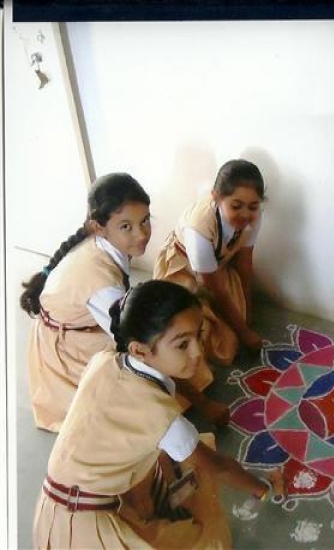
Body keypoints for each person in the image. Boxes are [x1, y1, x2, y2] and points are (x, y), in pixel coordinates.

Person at [33, 280, 284, 549]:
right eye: (182, 344)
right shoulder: (160, 416)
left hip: (54, 504)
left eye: (199, 335)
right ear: (140, 350)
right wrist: (262, 487)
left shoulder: (106, 359)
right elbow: (218, 466)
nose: (198, 352)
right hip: (83, 529)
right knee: (210, 539)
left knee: (170, 460)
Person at [19, 173, 226, 432]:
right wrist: (205, 404)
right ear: (99, 227)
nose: (142, 234)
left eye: (145, 221)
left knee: (178, 348)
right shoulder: (101, 283)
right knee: (146, 389)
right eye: (126, 226)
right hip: (69, 352)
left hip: (89, 325)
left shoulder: (105, 246)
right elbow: (140, 350)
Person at [153, 158, 265, 367]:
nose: (245, 214)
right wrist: (244, 332)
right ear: (216, 197)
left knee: (233, 329)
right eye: (236, 206)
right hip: (183, 270)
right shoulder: (199, 226)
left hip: (217, 269)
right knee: (214, 345)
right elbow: (214, 289)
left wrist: (248, 314)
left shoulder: (254, 216)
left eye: (253, 206)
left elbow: (244, 265)